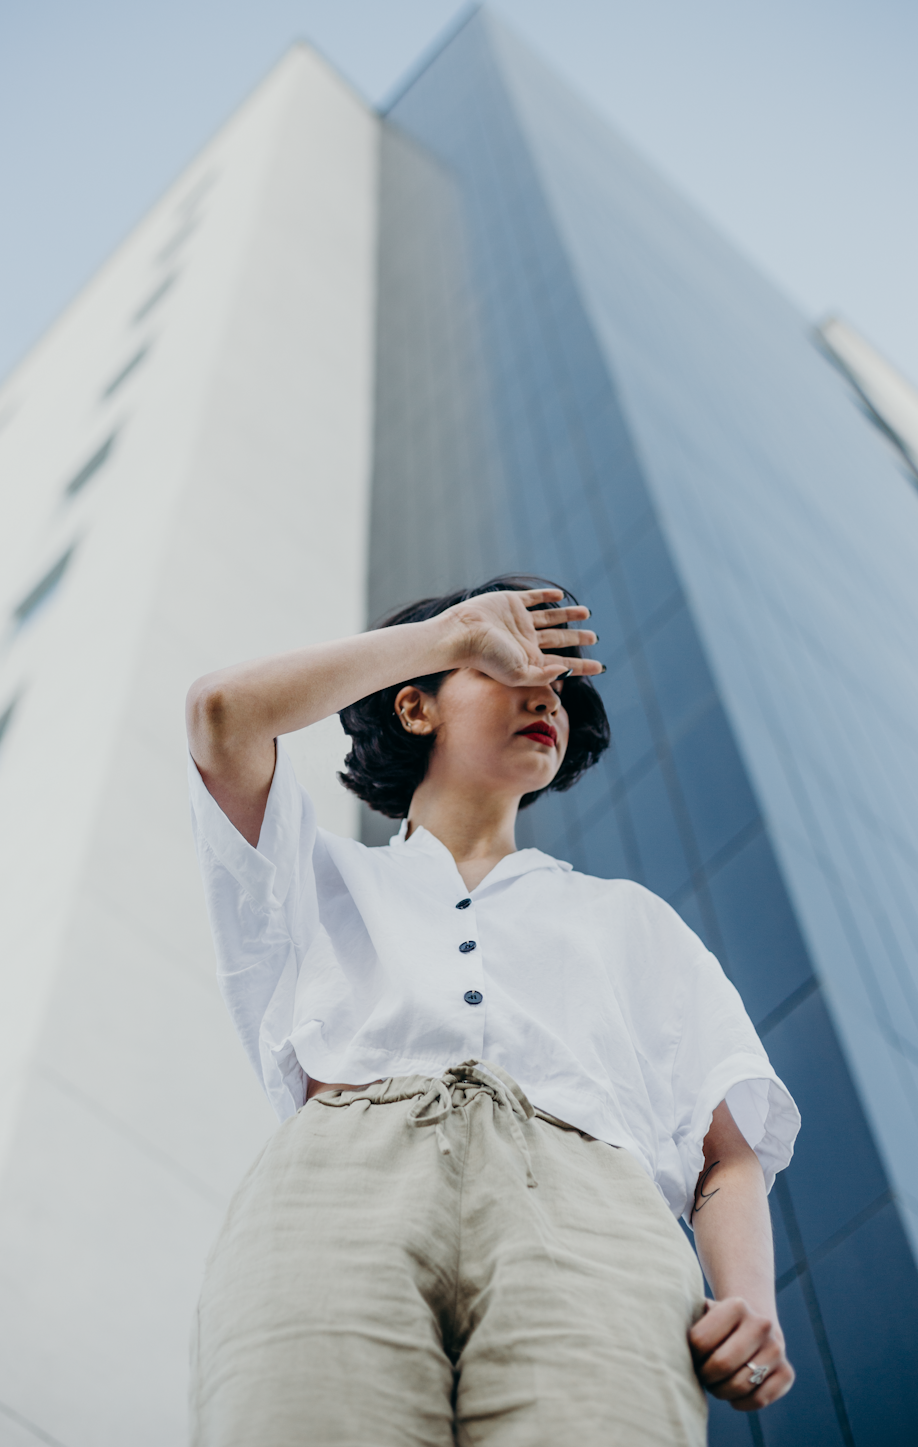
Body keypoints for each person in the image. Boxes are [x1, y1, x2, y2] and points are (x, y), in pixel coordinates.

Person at [185, 575, 799, 1446]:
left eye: (557, 684)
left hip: (594, 1220)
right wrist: (455, 635)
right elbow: (222, 712)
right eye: (506, 669)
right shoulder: (318, 877)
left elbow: (724, 1156)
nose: (543, 693)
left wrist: (746, 1297)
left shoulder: (630, 917)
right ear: (414, 707)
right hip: (336, 1196)